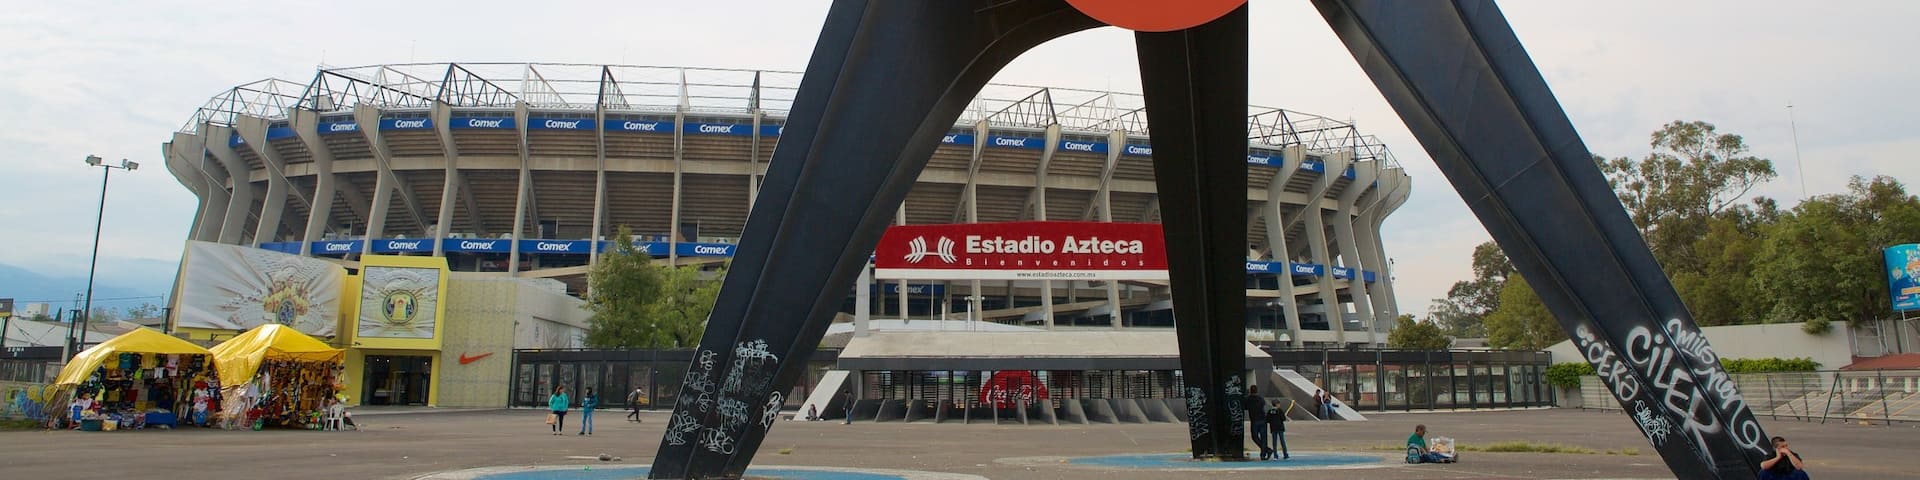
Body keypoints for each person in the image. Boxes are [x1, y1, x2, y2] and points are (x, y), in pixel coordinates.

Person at [1244, 385, 1273, 460]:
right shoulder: (1260, 399)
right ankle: (1263, 454)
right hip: (1263, 419)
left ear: (1250, 391)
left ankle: (1267, 450)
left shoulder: (1248, 399)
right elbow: (1263, 404)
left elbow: (1245, 407)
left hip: (1254, 420)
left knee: (1255, 437)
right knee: (1264, 438)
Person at [1269, 395, 1290, 460]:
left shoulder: (1270, 411)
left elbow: (1267, 419)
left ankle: (1275, 456)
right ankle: (1285, 455)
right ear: (1277, 404)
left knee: (1274, 442)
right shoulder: (1279, 410)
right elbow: (1283, 418)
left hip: (1273, 428)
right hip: (1280, 427)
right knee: (1282, 441)